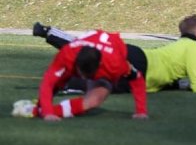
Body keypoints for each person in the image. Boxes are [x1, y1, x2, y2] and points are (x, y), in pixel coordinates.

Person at [32, 14, 196, 94]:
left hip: (140, 72)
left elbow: (170, 79)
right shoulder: (195, 49)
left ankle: (64, 83)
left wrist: (180, 84)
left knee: (104, 83)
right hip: (140, 63)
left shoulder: (182, 45)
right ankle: (49, 32)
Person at [12, 29, 147, 121]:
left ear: (98, 67)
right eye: (80, 73)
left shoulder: (116, 65)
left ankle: (35, 110)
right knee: (58, 82)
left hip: (111, 53)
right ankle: (40, 107)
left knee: (94, 100)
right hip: (81, 56)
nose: (83, 79)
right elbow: (48, 81)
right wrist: (47, 112)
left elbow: (138, 79)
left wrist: (141, 111)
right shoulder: (67, 54)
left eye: (86, 75)